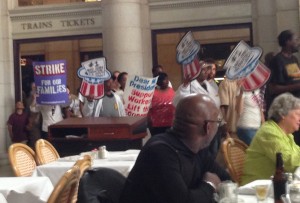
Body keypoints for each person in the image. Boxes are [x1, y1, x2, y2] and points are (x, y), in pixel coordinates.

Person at [120, 94, 231, 203]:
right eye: (218, 122)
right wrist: (209, 185)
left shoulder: (198, 150)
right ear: (207, 127)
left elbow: (227, 179)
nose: (218, 127)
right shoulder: (160, 152)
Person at [241, 93, 300, 186]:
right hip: (257, 189)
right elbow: (289, 163)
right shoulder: (269, 132)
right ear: (283, 114)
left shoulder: (287, 135)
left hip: (274, 186)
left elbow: (296, 154)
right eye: (298, 114)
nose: (299, 119)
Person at [173, 65, 226, 159]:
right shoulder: (190, 86)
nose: (206, 72)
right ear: (195, 72)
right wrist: (185, 86)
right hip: (202, 127)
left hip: (215, 124)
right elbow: (179, 101)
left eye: (207, 70)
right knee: (204, 153)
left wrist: (222, 123)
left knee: (214, 151)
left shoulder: (211, 85)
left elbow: (217, 104)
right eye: (203, 70)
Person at [267, 30, 300, 145]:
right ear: (287, 42)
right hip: (286, 111)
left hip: (296, 108)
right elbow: (273, 88)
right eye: (295, 40)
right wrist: (297, 86)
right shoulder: (277, 60)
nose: (298, 42)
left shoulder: (294, 60)